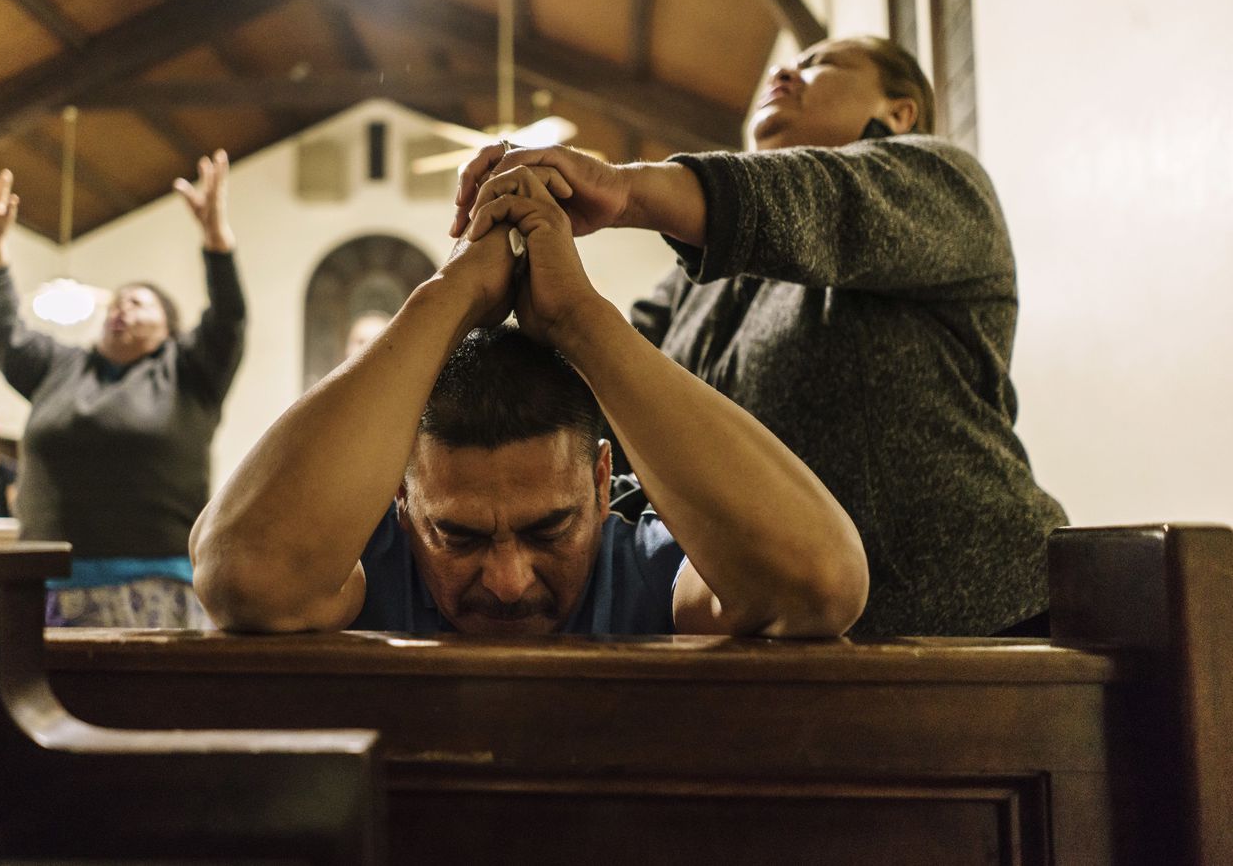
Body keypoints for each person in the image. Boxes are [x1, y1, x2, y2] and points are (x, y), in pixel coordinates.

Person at [450, 35, 1067, 637]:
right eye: (786, 63)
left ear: (898, 111)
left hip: (986, 628)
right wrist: (502, 269)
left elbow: (823, 200)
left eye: (819, 63)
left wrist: (624, 189)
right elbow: (608, 402)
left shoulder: (942, 182)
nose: (784, 73)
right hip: (780, 636)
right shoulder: (693, 287)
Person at [190, 165, 868, 637]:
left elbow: (821, 587)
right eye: (457, 536)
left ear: (605, 482)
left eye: (550, 530)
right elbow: (239, 575)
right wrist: (448, 295)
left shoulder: (649, 570)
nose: (508, 582)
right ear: (400, 496)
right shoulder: (360, 567)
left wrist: (581, 318)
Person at [0, 150, 246, 628]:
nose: (121, 308)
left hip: (155, 588)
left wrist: (216, 239)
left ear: (169, 328)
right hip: (44, 585)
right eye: (115, 302)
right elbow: (4, 329)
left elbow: (228, 318)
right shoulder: (61, 366)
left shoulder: (189, 372)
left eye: (137, 302)